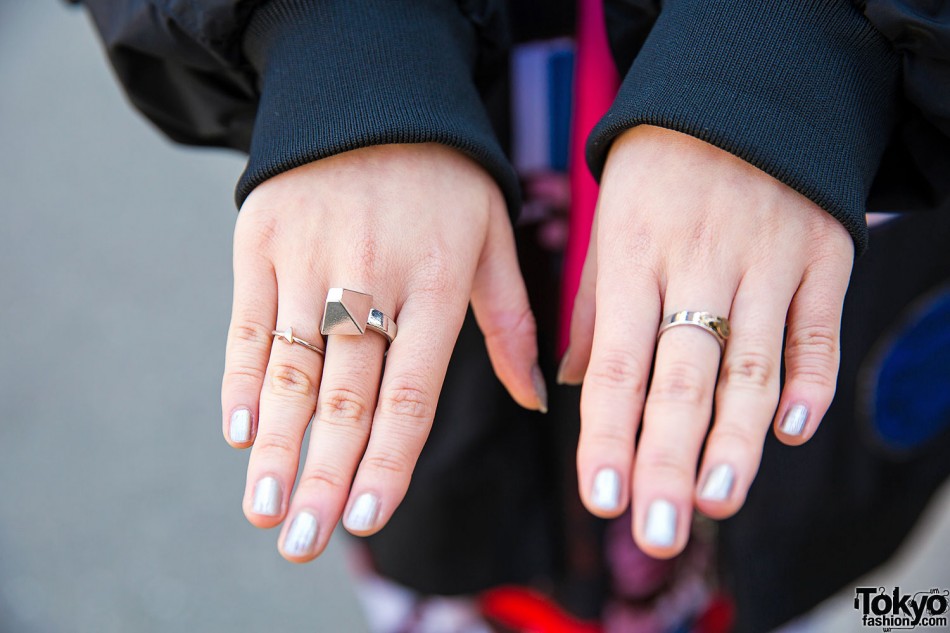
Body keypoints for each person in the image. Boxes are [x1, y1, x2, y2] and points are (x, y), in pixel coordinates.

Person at [76, 0, 950, 630]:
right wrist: (342, 43)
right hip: (457, 439)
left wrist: (803, 45)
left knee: (774, 509)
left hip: (854, 167)